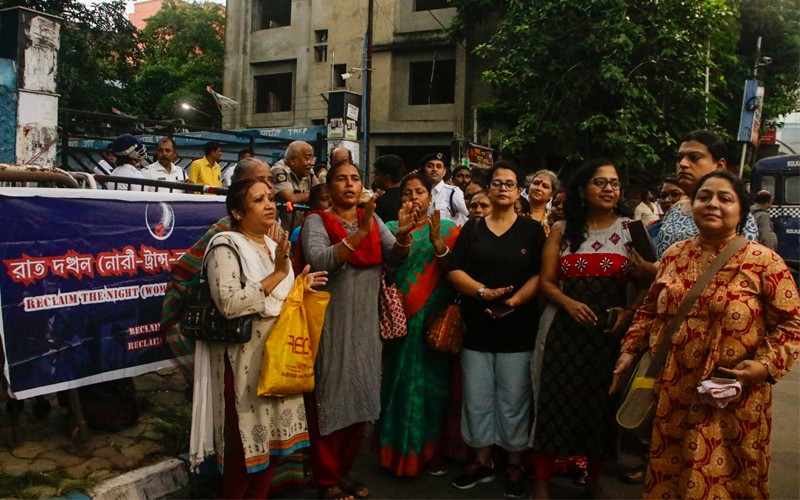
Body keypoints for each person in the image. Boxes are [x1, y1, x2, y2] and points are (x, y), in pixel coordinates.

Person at [611, 170, 800, 498]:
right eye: (704, 197)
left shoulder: (764, 262)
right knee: (669, 476)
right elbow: (650, 310)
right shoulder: (673, 256)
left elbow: (791, 325)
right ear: (693, 205)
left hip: (730, 398)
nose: (712, 204)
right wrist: (629, 350)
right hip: (672, 394)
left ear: (740, 210)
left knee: (724, 482)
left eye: (724, 198)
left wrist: (763, 367)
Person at [189, 177, 328, 499]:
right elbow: (230, 304)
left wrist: (298, 287)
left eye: (269, 198)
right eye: (258, 200)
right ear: (238, 212)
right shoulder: (225, 246)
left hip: (277, 357)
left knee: (268, 450)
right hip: (244, 363)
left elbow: (276, 297)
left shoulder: (270, 245)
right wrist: (280, 274)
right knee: (244, 451)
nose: (269, 204)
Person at [531, 159, 647, 499]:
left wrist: (629, 312)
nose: (609, 188)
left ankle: (593, 478)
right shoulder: (562, 229)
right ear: (582, 189)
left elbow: (648, 280)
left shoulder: (632, 229)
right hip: (562, 333)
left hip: (608, 336)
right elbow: (547, 283)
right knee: (553, 405)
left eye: (614, 183)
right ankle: (540, 480)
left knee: (600, 409)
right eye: (600, 182)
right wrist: (568, 304)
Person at [301, 161, 414, 499]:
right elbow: (320, 260)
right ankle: (325, 479)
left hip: (365, 323)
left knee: (361, 397)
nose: (350, 185)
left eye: (355, 178)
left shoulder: (371, 217)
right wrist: (360, 234)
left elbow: (396, 256)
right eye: (341, 179)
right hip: (331, 324)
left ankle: (343, 471)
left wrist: (405, 235)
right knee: (330, 399)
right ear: (329, 187)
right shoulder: (316, 221)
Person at [447, 161, 546, 498]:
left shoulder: (532, 231)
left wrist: (515, 301)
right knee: (476, 397)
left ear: (518, 191)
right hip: (477, 328)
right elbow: (454, 271)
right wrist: (482, 292)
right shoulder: (472, 229)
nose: (503, 188)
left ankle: (515, 463)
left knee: (514, 399)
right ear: (487, 189)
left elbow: (539, 275)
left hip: (518, 329)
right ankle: (482, 460)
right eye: (497, 183)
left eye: (510, 184)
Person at [375, 172, 461, 477]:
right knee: (396, 385)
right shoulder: (391, 228)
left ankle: (429, 451)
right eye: (407, 193)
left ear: (430, 196)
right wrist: (402, 237)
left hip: (434, 323)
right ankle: (394, 451)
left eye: (419, 192)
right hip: (402, 320)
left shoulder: (449, 230)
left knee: (433, 389)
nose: (413, 198)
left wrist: (439, 244)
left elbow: (456, 272)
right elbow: (388, 268)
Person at [651, 130, 758, 261]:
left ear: (719, 166)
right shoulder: (675, 209)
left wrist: (654, 271)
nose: (683, 164)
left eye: (694, 157)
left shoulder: (736, 217)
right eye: (679, 158)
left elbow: (743, 267)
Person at [273, 140, 320, 231]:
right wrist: (314, 195)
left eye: (313, 158)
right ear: (292, 160)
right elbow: (290, 198)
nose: (312, 163)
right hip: (282, 233)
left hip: (300, 230)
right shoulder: (279, 170)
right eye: (307, 158)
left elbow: (323, 192)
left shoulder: (308, 172)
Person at [421, 152, 469, 226]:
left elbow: (468, 216)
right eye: (430, 166)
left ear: (444, 172)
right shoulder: (419, 193)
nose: (434, 169)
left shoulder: (453, 192)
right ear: (424, 170)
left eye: (438, 166)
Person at [373, 154, 406, 223]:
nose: (374, 177)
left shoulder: (380, 202)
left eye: (376, 174)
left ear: (386, 178)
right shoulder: (406, 196)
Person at [527, 170, 558, 235]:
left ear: (551, 194)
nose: (539, 188)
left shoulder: (551, 221)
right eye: (536, 183)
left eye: (545, 186)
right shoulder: (515, 211)